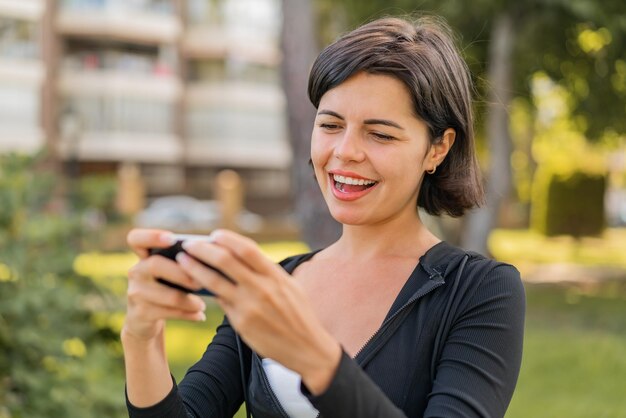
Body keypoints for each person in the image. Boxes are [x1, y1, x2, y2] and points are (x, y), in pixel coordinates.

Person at [122, 15, 525, 418]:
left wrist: (314, 358)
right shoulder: (273, 285)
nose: (345, 151)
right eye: (330, 125)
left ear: (438, 148)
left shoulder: (479, 291)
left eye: (380, 134)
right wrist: (142, 337)